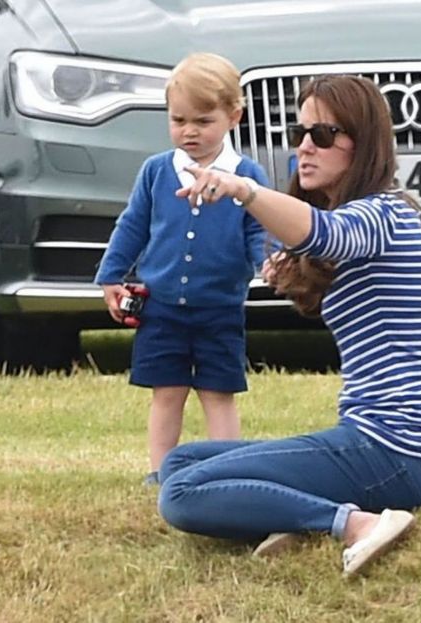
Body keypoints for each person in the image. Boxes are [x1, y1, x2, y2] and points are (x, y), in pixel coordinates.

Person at [157, 74, 421, 576]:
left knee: (181, 495)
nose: (304, 148)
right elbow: (312, 240)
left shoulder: (387, 215)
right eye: (301, 134)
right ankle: (292, 513)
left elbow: (328, 234)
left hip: (398, 450)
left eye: (322, 135)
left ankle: (353, 523)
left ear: (362, 145)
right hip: (374, 440)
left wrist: (244, 189)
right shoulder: (366, 217)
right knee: (180, 463)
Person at [95, 53, 270, 485]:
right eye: (178, 120)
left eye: (203, 121)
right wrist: (110, 277)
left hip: (220, 309)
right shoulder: (156, 171)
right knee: (166, 392)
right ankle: (160, 472)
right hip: (161, 308)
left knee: (218, 393)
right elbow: (132, 226)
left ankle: (226, 471)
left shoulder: (247, 177)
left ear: (234, 116)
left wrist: (272, 262)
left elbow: (260, 230)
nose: (189, 131)